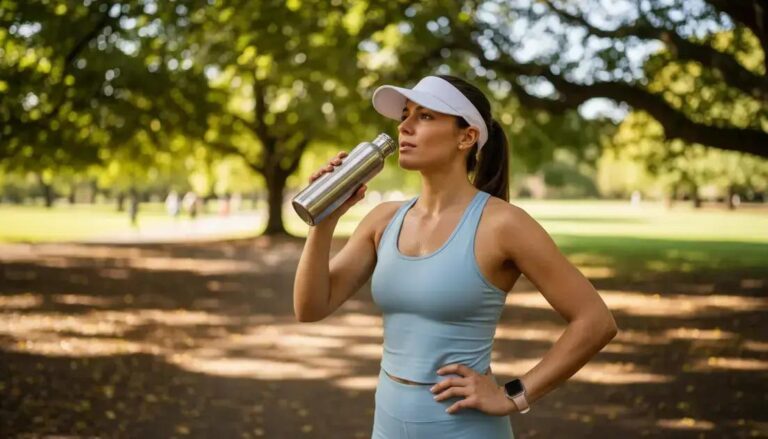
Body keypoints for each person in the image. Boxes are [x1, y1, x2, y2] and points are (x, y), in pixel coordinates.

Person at [293, 75, 618, 438]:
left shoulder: (503, 224)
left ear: (467, 137)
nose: (405, 126)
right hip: (387, 424)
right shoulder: (383, 220)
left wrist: (513, 395)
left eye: (425, 116)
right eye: (405, 114)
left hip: (465, 428)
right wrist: (323, 220)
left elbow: (595, 320)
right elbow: (311, 307)